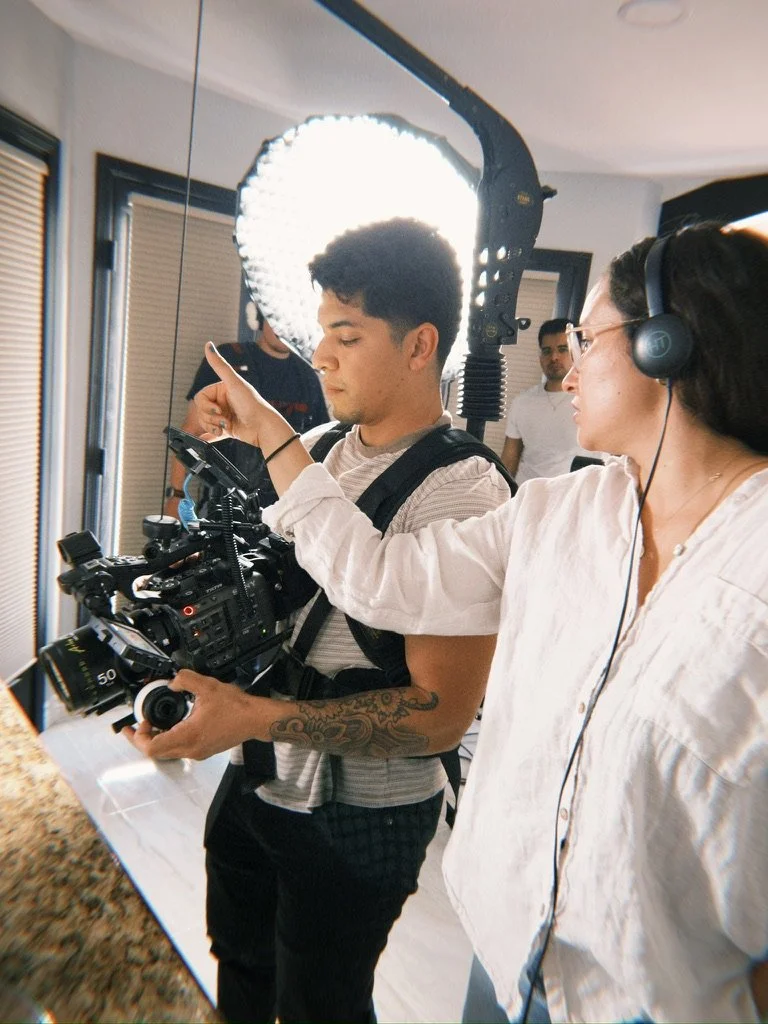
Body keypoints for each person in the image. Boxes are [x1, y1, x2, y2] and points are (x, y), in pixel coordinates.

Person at [165, 221, 768, 1023]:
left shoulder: (748, 572)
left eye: (588, 338)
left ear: (668, 345)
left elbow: (439, 715)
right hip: (508, 943)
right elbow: (380, 580)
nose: (568, 364)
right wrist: (270, 435)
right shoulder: (566, 511)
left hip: (657, 997)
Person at [128, 218, 511, 1023]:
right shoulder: (327, 447)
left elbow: (438, 719)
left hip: (357, 816)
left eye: (347, 335)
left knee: (320, 1005)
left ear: (419, 345)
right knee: (240, 965)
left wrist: (256, 715)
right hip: (258, 772)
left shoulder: (465, 494)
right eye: (320, 334)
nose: (321, 356)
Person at [163, 304, 328, 516]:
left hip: (288, 512)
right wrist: (177, 495)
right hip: (225, 510)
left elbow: (322, 448)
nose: (283, 328)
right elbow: (190, 432)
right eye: (275, 318)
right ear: (258, 318)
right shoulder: (229, 358)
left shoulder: (306, 376)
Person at [500, 317, 597, 483]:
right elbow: (509, 461)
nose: (554, 357)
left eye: (562, 349)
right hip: (527, 497)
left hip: (577, 500)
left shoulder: (594, 400)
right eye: (547, 351)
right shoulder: (523, 402)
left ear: (578, 351)